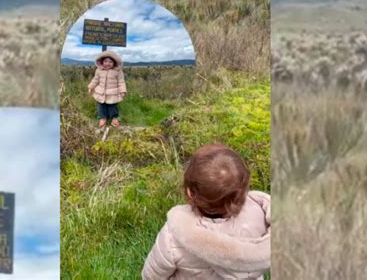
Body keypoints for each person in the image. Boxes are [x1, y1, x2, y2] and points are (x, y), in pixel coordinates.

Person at [142, 143, 270, 280]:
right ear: (243, 191)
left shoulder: (174, 235)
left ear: (190, 192)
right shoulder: (260, 216)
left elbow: (151, 276)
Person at [88, 51, 127, 127]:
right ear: (102, 62)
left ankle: (114, 118)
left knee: (112, 106)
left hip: (112, 93)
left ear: (114, 63)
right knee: (101, 106)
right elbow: (95, 80)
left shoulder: (117, 71)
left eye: (110, 62)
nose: (107, 63)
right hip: (101, 92)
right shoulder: (99, 70)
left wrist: (123, 91)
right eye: (105, 61)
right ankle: (103, 118)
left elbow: (121, 82)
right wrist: (90, 86)